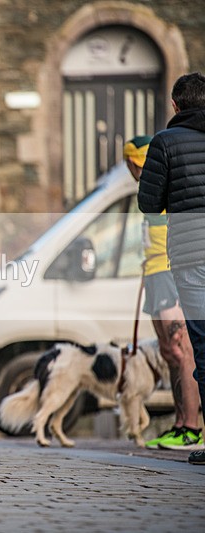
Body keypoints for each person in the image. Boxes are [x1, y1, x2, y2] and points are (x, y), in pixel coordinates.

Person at [139, 72, 205, 466]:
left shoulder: (165, 142)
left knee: (203, 347)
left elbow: (149, 204)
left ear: (176, 105)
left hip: (193, 258)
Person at [124, 136, 203, 450]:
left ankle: (192, 428)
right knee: (171, 353)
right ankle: (180, 424)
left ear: (131, 161)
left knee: (181, 350)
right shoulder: (153, 178)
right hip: (155, 271)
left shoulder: (163, 170)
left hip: (169, 270)